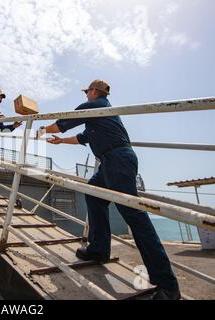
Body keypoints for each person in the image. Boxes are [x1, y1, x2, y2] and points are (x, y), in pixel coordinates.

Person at [36, 79, 180, 300]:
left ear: (94, 91)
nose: (86, 95)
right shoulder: (99, 116)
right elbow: (82, 137)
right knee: (93, 194)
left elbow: (67, 120)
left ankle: (168, 286)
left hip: (118, 159)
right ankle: (99, 249)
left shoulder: (97, 106)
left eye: (87, 92)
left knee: (134, 215)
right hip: (110, 161)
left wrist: (42, 130)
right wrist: (61, 141)